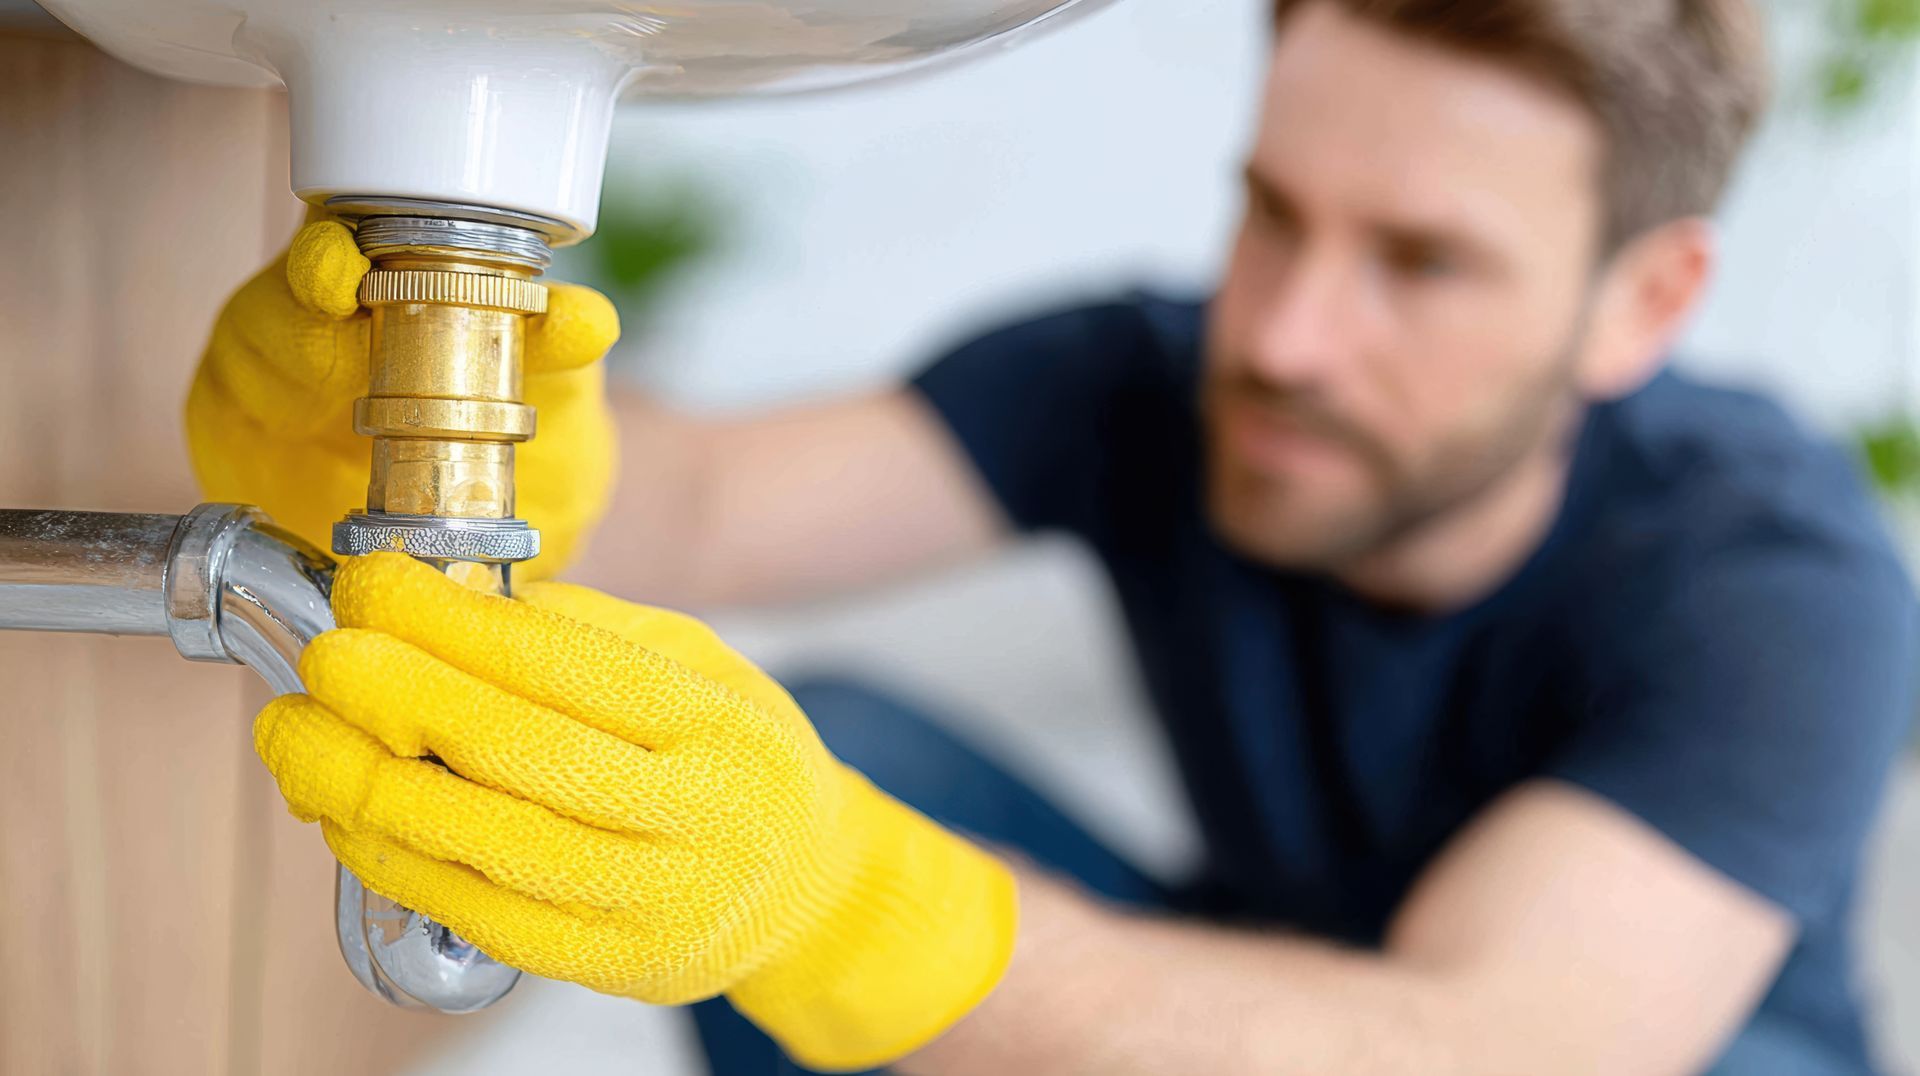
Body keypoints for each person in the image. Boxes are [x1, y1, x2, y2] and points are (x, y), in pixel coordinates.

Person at [190, 0, 1920, 1072]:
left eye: (1420, 263)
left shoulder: (1783, 586)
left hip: (1598, 1050)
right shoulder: (1159, 378)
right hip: (1284, 975)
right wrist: (461, 433)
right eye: (1273, 213)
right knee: (842, 747)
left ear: (1643, 305)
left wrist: (848, 904)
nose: (1286, 334)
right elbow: (700, 504)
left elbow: (1475, 1046)